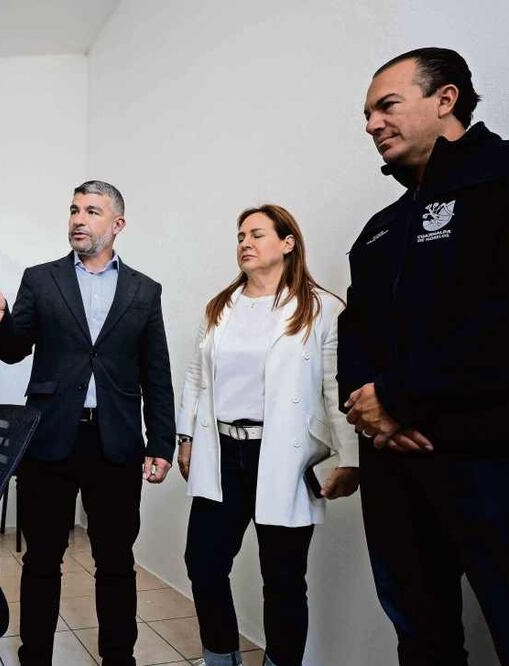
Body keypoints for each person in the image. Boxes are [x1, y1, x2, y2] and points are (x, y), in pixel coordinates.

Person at [340, 47, 509, 665]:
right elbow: (354, 336)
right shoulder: (379, 228)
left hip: (504, 463)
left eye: (387, 105)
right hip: (396, 470)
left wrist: (400, 398)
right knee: (422, 640)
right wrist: (372, 413)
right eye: (366, 114)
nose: (372, 124)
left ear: (446, 99)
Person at [0, 180, 175, 666]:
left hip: (116, 442)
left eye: (92, 211)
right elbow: (15, 349)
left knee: (116, 562)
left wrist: (160, 441)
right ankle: (34, 654)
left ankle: (119, 657)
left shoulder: (145, 290)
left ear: (117, 224)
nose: (78, 219)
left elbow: (156, 372)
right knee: (41, 560)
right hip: (50, 440)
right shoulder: (41, 279)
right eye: (74, 209)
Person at [176, 204, 359, 666]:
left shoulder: (321, 308)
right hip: (222, 454)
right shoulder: (220, 307)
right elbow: (197, 377)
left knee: (282, 578)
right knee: (204, 563)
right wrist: (185, 438)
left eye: (257, 234)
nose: (245, 244)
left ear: (288, 243)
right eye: (240, 236)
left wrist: (350, 460)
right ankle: (221, 658)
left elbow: (337, 387)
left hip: (284, 458)